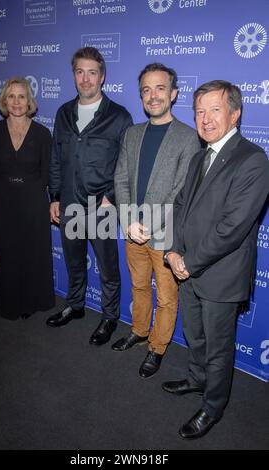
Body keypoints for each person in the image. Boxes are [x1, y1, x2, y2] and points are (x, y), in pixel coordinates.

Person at [163, 80, 269, 439]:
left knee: (219, 347)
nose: (205, 119)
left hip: (219, 275)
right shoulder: (199, 155)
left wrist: (189, 261)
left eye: (214, 110)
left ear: (235, 113)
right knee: (194, 333)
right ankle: (196, 380)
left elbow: (232, 228)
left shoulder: (253, 159)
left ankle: (213, 407)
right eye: (199, 112)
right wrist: (173, 251)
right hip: (186, 267)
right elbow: (181, 208)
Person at [112, 63, 201, 378]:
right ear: (141, 95)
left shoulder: (189, 138)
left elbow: (180, 192)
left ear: (174, 94)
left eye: (160, 88)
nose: (153, 96)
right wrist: (127, 219)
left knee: (166, 297)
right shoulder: (132, 133)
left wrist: (146, 223)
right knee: (138, 286)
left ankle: (157, 347)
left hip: (164, 234)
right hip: (131, 230)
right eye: (146, 90)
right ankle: (138, 330)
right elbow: (120, 177)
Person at [46, 47, 133, 345]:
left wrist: (111, 196)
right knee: (74, 261)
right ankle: (76, 305)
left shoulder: (119, 117)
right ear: (73, 75)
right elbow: (56, 159)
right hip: (69, 203)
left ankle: (109, 317)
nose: (85, 79)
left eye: (92, 72)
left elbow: (126, 164)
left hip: (102, 208)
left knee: (108, 268)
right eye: (79, 72)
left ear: (102, 76)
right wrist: (55, 197)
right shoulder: (63, 113)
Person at [0, 77, 55, 320]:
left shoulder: (43, 133)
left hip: (33, 200)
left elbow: (49, 174)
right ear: (4, 101)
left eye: (22, 96)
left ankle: (31, 302)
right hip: (1, 201)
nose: (16, 102)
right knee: (7, 254)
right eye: (11, 96)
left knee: (32, 254)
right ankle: (10, 303)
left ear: (29, 101)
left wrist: (52, 201)